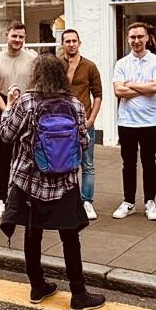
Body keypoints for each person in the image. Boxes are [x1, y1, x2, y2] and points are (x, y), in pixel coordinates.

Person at [0, 54, 105, 310]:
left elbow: (6, 135)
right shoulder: (75, 104)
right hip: (65, 182)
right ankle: (78, 294)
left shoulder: (26, 101)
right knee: (70, 237)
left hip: (30, 181)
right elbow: (84, 143)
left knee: (33, 234)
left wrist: (9, 106)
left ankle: (37, 287)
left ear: (37, 75)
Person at [0, 21, 38, 220]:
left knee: (27, 159)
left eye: (21, 37)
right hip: (3, 109)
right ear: (7, 35)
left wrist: (23, 111)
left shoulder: (33, 59)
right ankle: (1, 199)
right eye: (14, 36)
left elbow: (36, 87)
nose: (17, 40)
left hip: (27, 110)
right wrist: (9, 110)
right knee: (4, 159)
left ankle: (24, 199)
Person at [112, 22, 156, 220]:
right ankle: (129, 202)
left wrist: (131, 85)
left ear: (147, 38)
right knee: (128, 164)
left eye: (140, 37)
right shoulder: (121, 63)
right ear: (128, 39)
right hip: (126, 122)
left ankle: (150, 202)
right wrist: (145, 87)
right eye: (133, 37)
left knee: (149, 162)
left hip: (150, 121)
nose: (136, 41)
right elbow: (118, 91)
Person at [60, 29, 103, 219]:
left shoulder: (89, 66)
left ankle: (87, 202)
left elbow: (98, 95)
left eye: (74, 41)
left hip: (84, 123)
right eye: (67, 41)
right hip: (62, 124)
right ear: (62, 44)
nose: (71, 44)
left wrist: (91, 119)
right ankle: (67, 201)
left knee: (87, 164)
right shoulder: (57, 65)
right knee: (64, 163)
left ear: (79, 43)